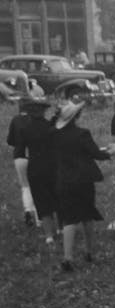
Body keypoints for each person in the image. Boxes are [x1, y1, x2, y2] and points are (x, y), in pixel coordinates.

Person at [51, 101, 115, 271]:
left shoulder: (54, 134)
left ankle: (67, 257)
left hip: (63, 180)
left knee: (69, 218)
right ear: (76, 117)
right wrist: (110, 152)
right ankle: (89, 252)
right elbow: (95, 153)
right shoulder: (82, 134)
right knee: (87, 214)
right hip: (83, 180)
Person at [8, 97, 58, 244]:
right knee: (57, 196)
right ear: (44, 111)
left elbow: (19, 147)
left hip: (35, 166)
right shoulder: (50, 127)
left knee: (41, 199)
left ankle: (49, 235)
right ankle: (62, 228)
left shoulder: (25, 129)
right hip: (52, 165)